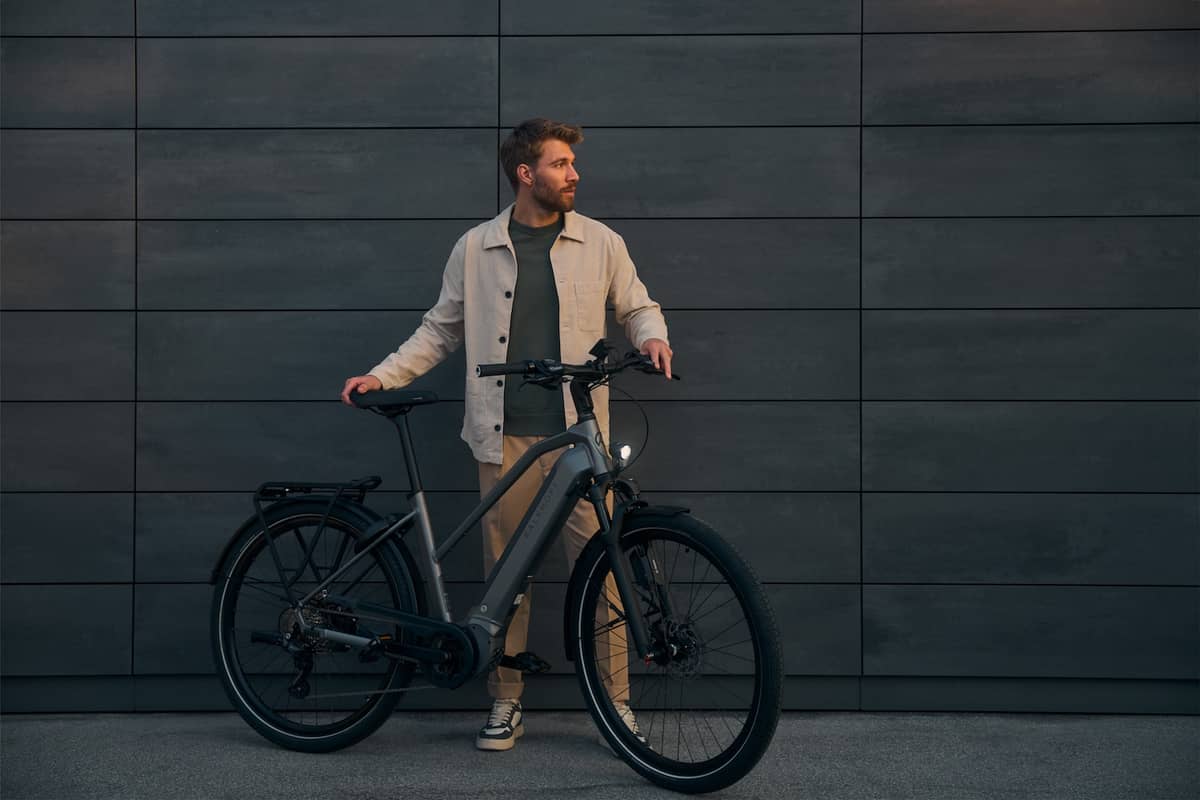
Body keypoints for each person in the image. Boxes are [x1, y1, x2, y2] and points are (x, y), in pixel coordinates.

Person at [340, 118, 672, 752]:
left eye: (573, 163)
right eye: (560, 163)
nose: (574, 173)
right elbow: (440, 330)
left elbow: (635, 303)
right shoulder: (476, 247)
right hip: (504, 441)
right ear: (526, 173)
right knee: (506, 582)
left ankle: (618, 705)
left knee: (605, 577)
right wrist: (382, 376)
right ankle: (505, 703)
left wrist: (651, 335)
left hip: (580, 443)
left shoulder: (601, 241)